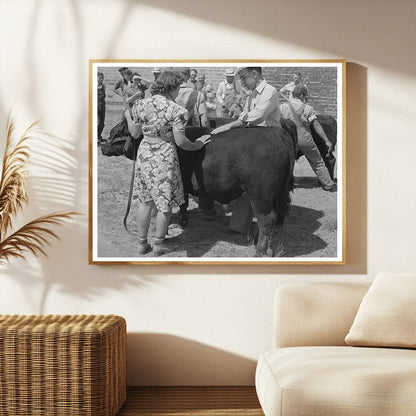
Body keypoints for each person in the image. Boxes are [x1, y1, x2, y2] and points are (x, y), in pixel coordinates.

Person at [124, 71, 211, 256]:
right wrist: (198, 144)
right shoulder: (176, 110)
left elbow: (135, 133)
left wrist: (128, 115)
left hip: (145, 153)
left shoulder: (141, 104)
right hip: (164, 156)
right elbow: (181, 142)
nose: (179, 92)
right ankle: (158, 244)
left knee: (145, 202)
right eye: (178, 88)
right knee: (164, 204)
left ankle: (141, 244)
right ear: (171, 88)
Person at [211, 66, 281, 234]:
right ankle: (240, 226)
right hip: (253, 144)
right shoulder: (252, 94)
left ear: (254, 74)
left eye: (243, 77)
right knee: (246, 183)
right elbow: (244, 114)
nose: (241, 82)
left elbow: (258, 115)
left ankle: (268, 226)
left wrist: (230, 126)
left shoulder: (270, 91)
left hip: (269, 144)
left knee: (266, 187)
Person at [279, 84, 336, 191]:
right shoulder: (308, 108)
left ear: (293, 94)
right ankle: (328, 184)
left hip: (290, 140)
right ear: (302, 96)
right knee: (318, 162)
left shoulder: (282, 107)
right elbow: (316, 125)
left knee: (286, 163)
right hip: (306, 140)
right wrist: (327, 141)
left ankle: (285, 184)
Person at [97, 72, 106, 144]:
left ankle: (99, 136)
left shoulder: (103, 86)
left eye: (102, 78)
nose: (101, 79)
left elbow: (104, 96)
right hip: (95, 107)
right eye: (99, 78)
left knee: (102, 123)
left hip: (102, 107)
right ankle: (96, 137)